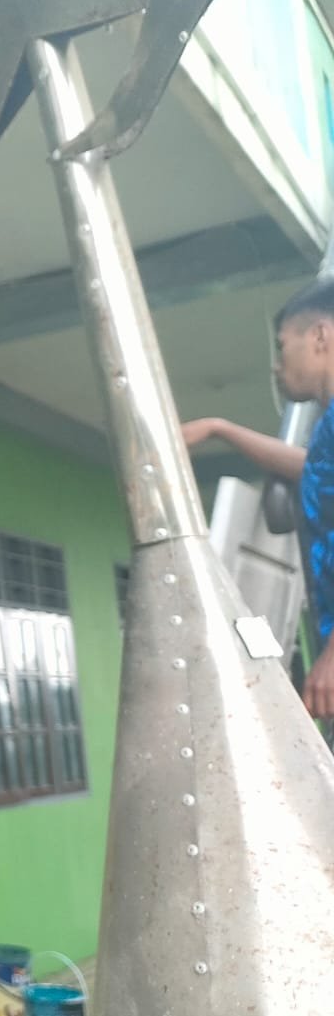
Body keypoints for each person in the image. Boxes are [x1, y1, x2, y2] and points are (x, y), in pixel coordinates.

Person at [184, 275, 334, 718]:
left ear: (320, 336)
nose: (276, 365)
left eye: (282, 346)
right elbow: (312, 470)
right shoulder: (326, 429)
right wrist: (221, 429)